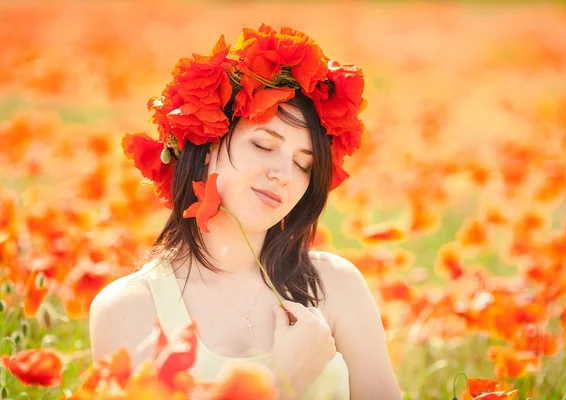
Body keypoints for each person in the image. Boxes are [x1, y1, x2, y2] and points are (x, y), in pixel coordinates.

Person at [89, 24, 402, 400]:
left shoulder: (335, 286)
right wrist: (284, 386)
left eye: (304, 165)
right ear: (206, 144)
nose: (284, 175)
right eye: (263, 145)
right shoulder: (129, 310)